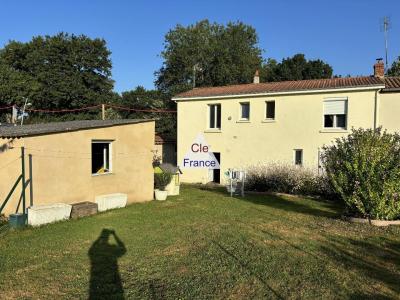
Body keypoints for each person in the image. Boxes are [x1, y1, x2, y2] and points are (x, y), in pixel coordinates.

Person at [88, 229, 126, 299]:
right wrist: (114, 235)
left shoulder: (95, 251)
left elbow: (91, 250)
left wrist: (99, 237)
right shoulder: (111, 250)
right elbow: (123, 249)